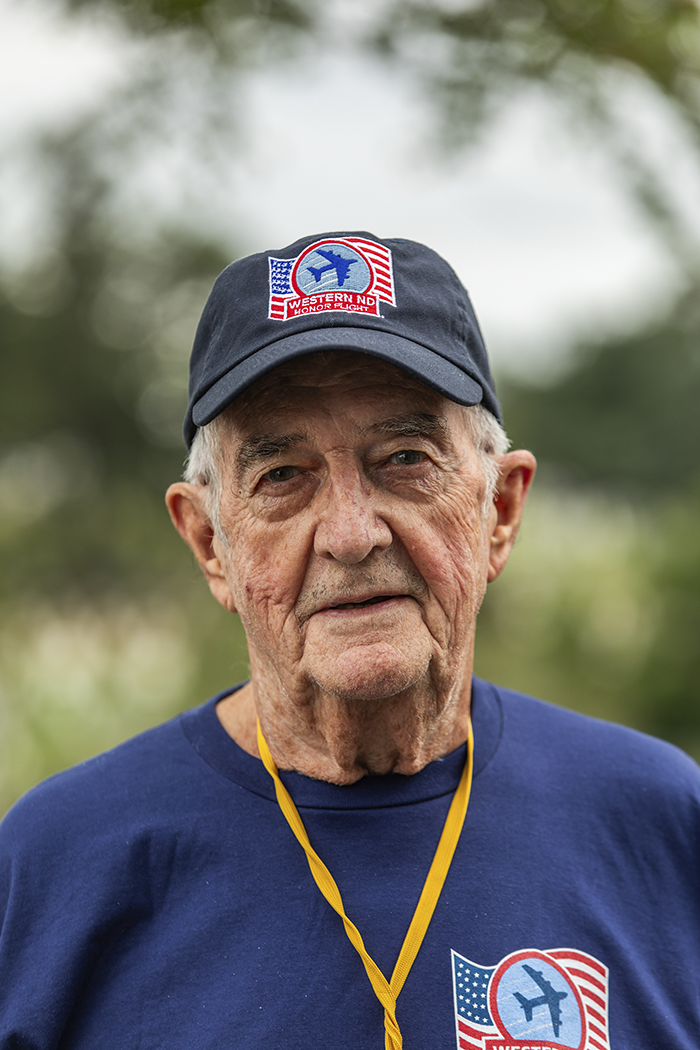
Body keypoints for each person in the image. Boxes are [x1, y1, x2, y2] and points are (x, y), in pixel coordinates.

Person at [1, 232, 699, 1050]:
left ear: (499, 513)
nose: (351, 533)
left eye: (404, 459)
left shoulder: (659, 822)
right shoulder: (55, 864)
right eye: (283, 476)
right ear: (210, 544)